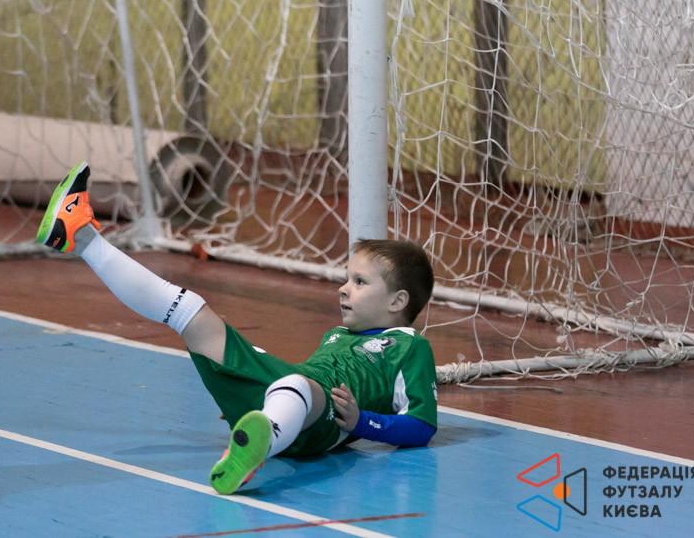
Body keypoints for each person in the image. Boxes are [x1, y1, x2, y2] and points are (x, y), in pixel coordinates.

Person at [37, 163, 438, 494]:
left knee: (298, 384)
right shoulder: (336, 336)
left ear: (397, 302)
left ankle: (262, 439)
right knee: (195, 317)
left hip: (326, 418)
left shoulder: (410, 347)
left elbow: (422, 425)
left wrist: (363, 422)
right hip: (294, 398)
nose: (343, 288)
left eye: (360, 282)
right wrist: (262, 398)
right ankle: (81, 236)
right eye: (346, 278)